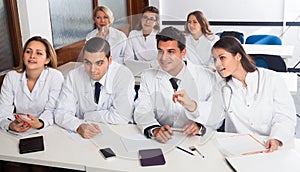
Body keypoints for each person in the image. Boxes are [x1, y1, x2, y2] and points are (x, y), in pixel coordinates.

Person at [210, 36, 296, 152]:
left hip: (271, 145)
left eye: (222, 57)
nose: (217, 64)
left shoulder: (273, 79)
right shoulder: (222, 88)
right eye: (215, 59)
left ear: (238, 56)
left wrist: (276, 138)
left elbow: (286, 117)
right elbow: (214, 118)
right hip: (238, 148)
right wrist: (198, 124)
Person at [134, 26, 216, 143]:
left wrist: (200, 126)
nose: (163, 57)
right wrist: (154, 129)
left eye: (171, 52)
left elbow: (216, 112)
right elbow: (142, 109)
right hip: (162, 141)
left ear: (183, 53)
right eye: (160, 51)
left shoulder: (206, 77)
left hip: (195, 141)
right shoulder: (148, 77)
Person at [55, 37, 135, 139]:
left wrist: (87, 116)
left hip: (118, 133)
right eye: (87, 62)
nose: (93, 69)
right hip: (84, 136)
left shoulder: (123, 75)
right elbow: (61, 112)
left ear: (109, 60)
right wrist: (78, 126)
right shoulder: (74, 76)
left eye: (99, 63)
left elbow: (121, 117)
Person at [0, 36, 64, 132]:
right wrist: (10, 125)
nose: (32, 56)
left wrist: (40, 123)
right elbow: (4, 109)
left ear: (47, 59)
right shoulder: (11, 76)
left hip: (47, 127)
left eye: (38, 53)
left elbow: (53, 109)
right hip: (18, 128)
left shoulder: (55, 76)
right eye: (28, 52)